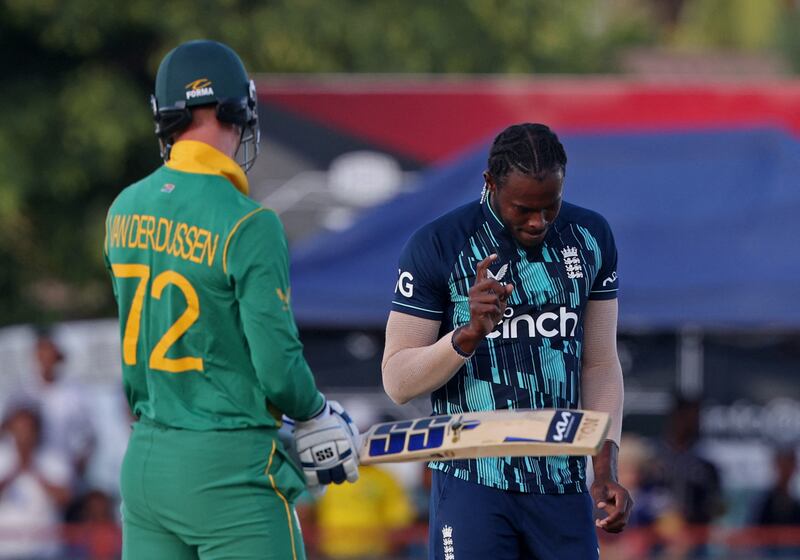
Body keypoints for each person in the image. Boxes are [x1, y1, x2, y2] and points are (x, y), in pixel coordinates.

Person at [103, 39, 360, 560]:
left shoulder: (123, 208)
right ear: (234, 109)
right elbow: (278, 366)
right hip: (228, 469)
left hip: (147, 460)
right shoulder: (249, 222)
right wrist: (313, 414)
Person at [383, 123, 632, 559]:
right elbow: (397, 381)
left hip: (562, 480)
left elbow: (599, 363)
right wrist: (467, 334)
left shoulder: (591, 236)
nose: (538, 222)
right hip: (472, 480)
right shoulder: (438, 244)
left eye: (549, 206)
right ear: (490, 183)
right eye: (522, 209)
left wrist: (604, 465)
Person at [0, 401, 72, 560]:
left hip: (44, 549)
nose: (24, 435)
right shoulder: (2, 457)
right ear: (10, 429)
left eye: (28, 429)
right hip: (6, 549)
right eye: (19, 429)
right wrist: (13, 473)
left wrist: (34, 471)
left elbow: (65, 498)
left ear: (37, 430)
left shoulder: (54, 459)